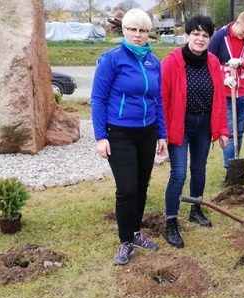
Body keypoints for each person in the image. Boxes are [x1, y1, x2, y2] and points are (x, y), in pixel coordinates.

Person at [91, 8, 167, 265]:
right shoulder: (111, 59)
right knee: (127, 188)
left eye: (143, 30)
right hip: (119, 133)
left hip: (147, 132)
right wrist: (100, 137)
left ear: (149, 33)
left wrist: (161, 135)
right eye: (132, 29)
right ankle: (125, 241)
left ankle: (135, 232)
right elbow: (98, 99)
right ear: (123, 30)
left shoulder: (153, 61)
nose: (138, 35)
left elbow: (157, 100)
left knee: (142, 186)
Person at [160, 15, 229, 248]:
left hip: (203, 125)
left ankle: (195, 210)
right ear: (187, 35)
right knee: (178, 174)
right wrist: (162, 132)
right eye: (196, 34)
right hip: (179, 125)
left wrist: (221, 130)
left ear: (210, 38)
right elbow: (162, 99)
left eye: (205, 35)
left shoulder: (213, 62)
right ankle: (171, 222)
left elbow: (220, 99)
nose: (200, 38)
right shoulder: (171, 62)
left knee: (199, 171)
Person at [207, 9, 244, 185]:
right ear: (236, 23)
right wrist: (223, 78)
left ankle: (236, 166)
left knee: (240, 132)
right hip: (225, 94)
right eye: (243, 31)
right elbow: (208, 63)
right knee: (229, 134)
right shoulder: (219, 37)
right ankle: (229, 172)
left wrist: (242, 62)